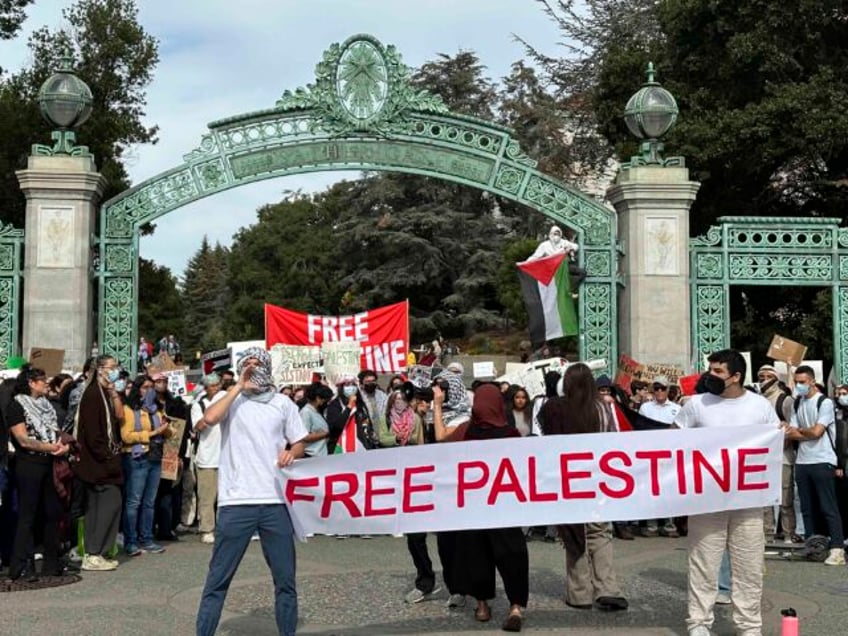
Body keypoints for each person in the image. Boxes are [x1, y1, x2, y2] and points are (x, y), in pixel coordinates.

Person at [196, 347, 307, 636]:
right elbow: (209, 419)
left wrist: (291, 452)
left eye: (258, 365)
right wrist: (238, 387)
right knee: (218, 578)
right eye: (247, 365)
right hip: (236, 502)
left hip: (275, 502)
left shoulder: (283, 403)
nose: (252, 370)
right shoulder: (230, 399)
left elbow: (299, 441)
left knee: (285, 580)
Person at [675, 349, 780, 636]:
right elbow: (672, 441)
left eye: (718, 371)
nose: (711, 375)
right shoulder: (696, 404)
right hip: (706, 499)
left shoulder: (759, 407)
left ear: (735, 377)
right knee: (703, 562)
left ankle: (749, 625)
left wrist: (782, 432)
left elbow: (772, 440)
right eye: (710, 369)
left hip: (748, 500)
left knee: (749, 564)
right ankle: (698, 622)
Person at [434, 383, 529, 632]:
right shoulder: (510, 434)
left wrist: (437, 403)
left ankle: (483, 605)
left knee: (476, 555)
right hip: (504, 507)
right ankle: (516, 607)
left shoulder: (467, 431)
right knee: (513, 555)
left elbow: (440, 438)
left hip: (474, 508)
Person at [540, 363, 628, 613]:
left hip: (568, 481)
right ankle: (607, 588)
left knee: (573, 534)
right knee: (601, 533)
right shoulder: (603, 407)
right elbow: (613, 439)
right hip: (598, 479)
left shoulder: (556, 409)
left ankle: (579, 593)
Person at [5, 364, 70, 581]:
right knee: (27, 516)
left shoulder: (47, 406)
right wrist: (50, 447)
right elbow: (23, 439)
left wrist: (63, 445)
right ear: (31, 383)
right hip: (29, 464)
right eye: (42, 380)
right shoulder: (16, 405)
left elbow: (56, 431)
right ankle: (21, 565)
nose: (46, 384)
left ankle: (51, 561)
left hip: (50, 462)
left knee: (52, 512)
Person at [782, 365, 845, 565]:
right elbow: (790, 432)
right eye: (796, 382)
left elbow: (818, 432)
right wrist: (803, 431)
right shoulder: (798, 402)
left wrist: (800, 432)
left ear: (811, 381)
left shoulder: (824, 402)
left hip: (822, 459)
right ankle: (813, 546)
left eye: (802, 382)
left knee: (828, 506)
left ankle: (837, 548)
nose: (799, 386)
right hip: (803, 460)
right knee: (807, 508)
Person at [72, 355, 125, 572]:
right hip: (99, 463)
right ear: (100, 369)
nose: (115, 371)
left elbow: (119, 417)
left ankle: (95, 552)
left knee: (98, 507)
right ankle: (95, 552)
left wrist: (114, 392)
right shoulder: (93, 394)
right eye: (111, 368)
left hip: (101, 462)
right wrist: (108, 457)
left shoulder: (103, 393)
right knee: (110, 504)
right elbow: (94, 434)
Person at [120, 374, 172, 556]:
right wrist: (151, 433)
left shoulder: (156, 409)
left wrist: (166, 428)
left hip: (155, 457)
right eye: (145, 387)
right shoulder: (129, 409)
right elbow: (126, 436)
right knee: (134, 501)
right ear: (137, 389)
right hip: (137, 457)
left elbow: (169, 432)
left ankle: (147, 538)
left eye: (151, 387)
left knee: (149, 502)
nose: (149, 390)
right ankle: (131, 540)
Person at [192, 373, 226, 544]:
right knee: (207, 496)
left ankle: (224, 527)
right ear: (206, 388)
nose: (217, 388)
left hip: (227, 457)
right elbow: (198, 426)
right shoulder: (199, 405)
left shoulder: (228, 402)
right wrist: (211, 413)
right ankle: (207, 528)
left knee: (225, 497)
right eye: (213, 386)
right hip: (207, 457)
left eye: (218, 385)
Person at [299, 382, 333, 458]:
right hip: (312, 455)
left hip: (321, 454)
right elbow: (304, 436)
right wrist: (324, 434)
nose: (326, 402)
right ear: (318, 398)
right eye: (325, 399)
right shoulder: (306, 412)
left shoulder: (317, 411)